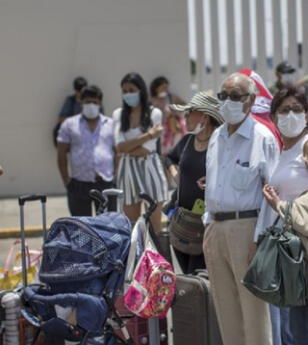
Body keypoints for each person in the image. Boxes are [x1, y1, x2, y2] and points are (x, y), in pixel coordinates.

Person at [202, 73, 278, 345]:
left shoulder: (262, 138)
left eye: (236, 96)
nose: (228, 102)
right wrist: (207, 223)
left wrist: (260, 240)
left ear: (251, 100)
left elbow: (272, 195)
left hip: (248, 230)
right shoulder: (216, 136)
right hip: (216, 229)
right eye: (223, 96)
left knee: (254, 311)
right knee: (225, 308)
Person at [258, 86, 308, 345]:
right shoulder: (284, 150)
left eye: (297, 109)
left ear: (307, 114)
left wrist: (280, 205)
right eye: (284, 110)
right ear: (274, 115)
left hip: (306, 249)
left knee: (302, 326)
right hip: (288, 250)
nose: (290, 115)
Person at [166, 92, 223, 274]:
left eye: (190, 112)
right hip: (183, 225)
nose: (186, 116)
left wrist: (215, 181)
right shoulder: (188, 140)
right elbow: (168, 159)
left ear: (204, 117)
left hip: (208, 225)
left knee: (200, 277)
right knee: (188, 276)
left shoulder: (221, 143)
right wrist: (177, 176)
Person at [113, 72, 168, 234]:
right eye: (124, 91)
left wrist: (129, 147)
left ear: (141, 90)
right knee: (131, 228)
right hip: (127, 171)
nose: (128, 94)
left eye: (131, 90)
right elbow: (119, 147)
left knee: (155, 228)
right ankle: (135, 259)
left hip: (150, 168)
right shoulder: (118, 114)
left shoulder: (154, 113)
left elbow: (146, 150)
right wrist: (149, 135)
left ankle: (157, 258)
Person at [56, 85, 116, 216]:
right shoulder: (69, 124)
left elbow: (118, 152)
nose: (91, 105)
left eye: (95, 102)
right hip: (78, 184)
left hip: (105, 183)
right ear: (81, 102)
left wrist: (115, 177)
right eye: (87, 102)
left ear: (100, 103)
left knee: (107, 226)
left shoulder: (110, 124)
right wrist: (67, 182)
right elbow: (61, 153)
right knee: (82, 228)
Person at [149, 76, 187, 155]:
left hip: (171, 128)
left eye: (166, 87)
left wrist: (174, 111)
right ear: (156, 88)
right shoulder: (151, 100)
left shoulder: (171, 97)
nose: (165, 90)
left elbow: (184, 105)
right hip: (157, 129)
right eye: (163, 88)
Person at [54, 77, 88, 146]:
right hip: (73, 135)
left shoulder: (92, 101)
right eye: (78, 90)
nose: (80, 93)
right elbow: (61, 119)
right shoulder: (71, 101)